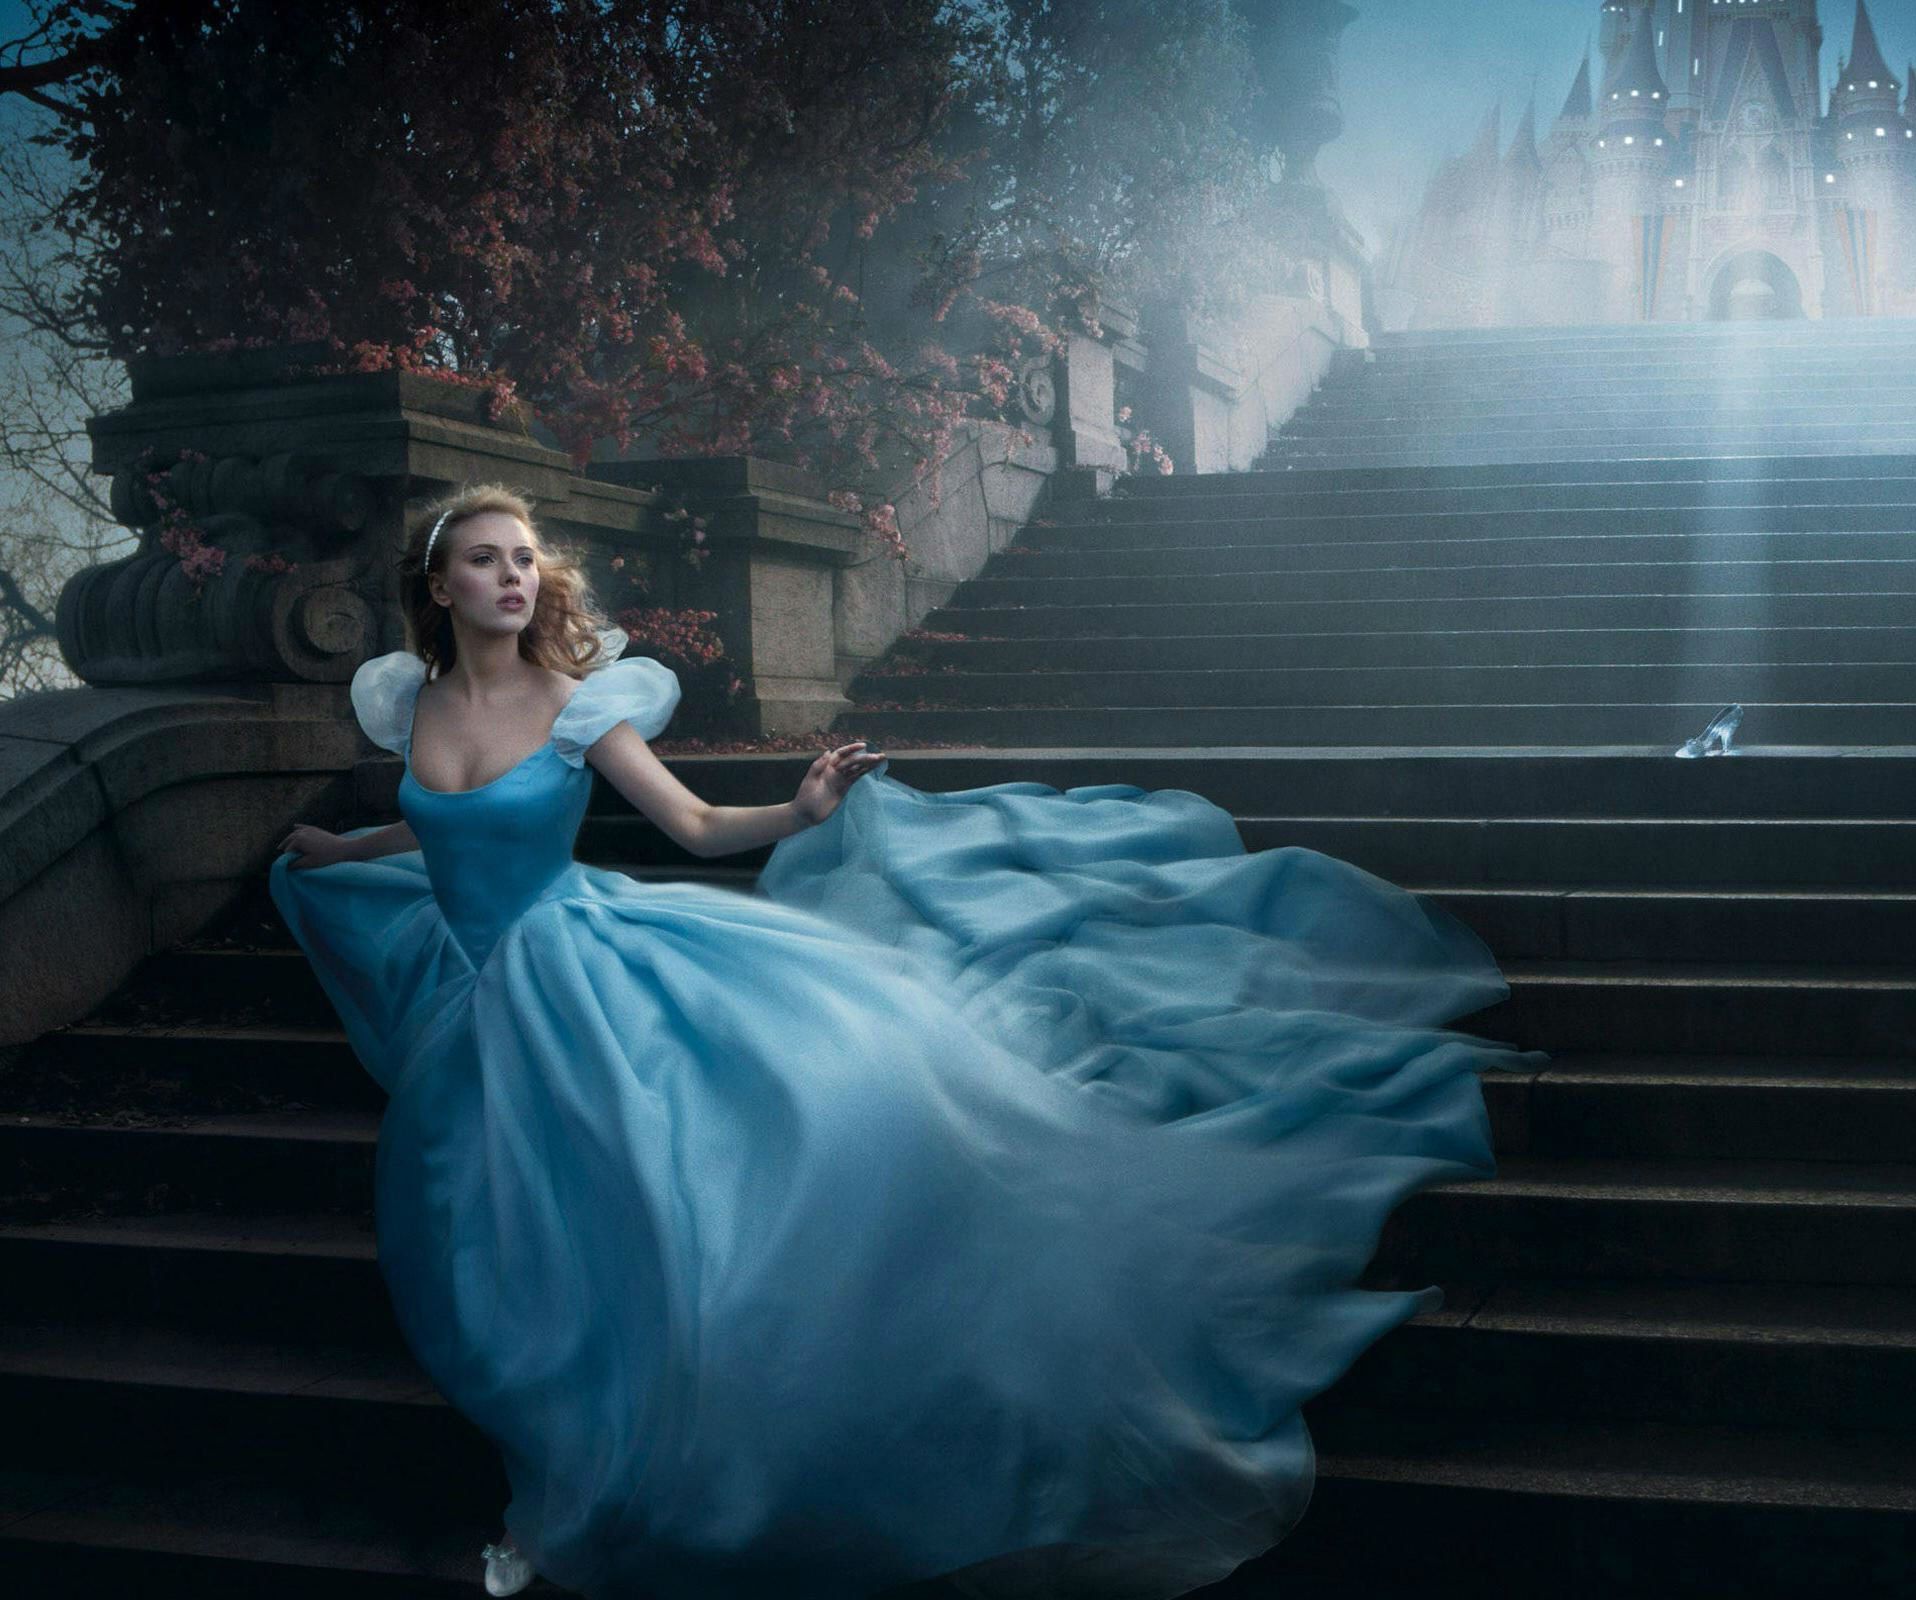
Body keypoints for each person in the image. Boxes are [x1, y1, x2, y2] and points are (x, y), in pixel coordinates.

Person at [267, 482, 1545, 1599]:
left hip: (586, 967)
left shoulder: (570, 702)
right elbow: (438, 827)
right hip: (490, 996)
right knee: (514, 1237)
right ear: (437, 584)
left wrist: (804, 802)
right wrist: (345, 847)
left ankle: (692, 1454)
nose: (511, 577)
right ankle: (575, 1447)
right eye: (485, 559)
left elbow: (698, 830)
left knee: (666, 1205)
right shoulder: (420, 702)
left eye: (524, 559)